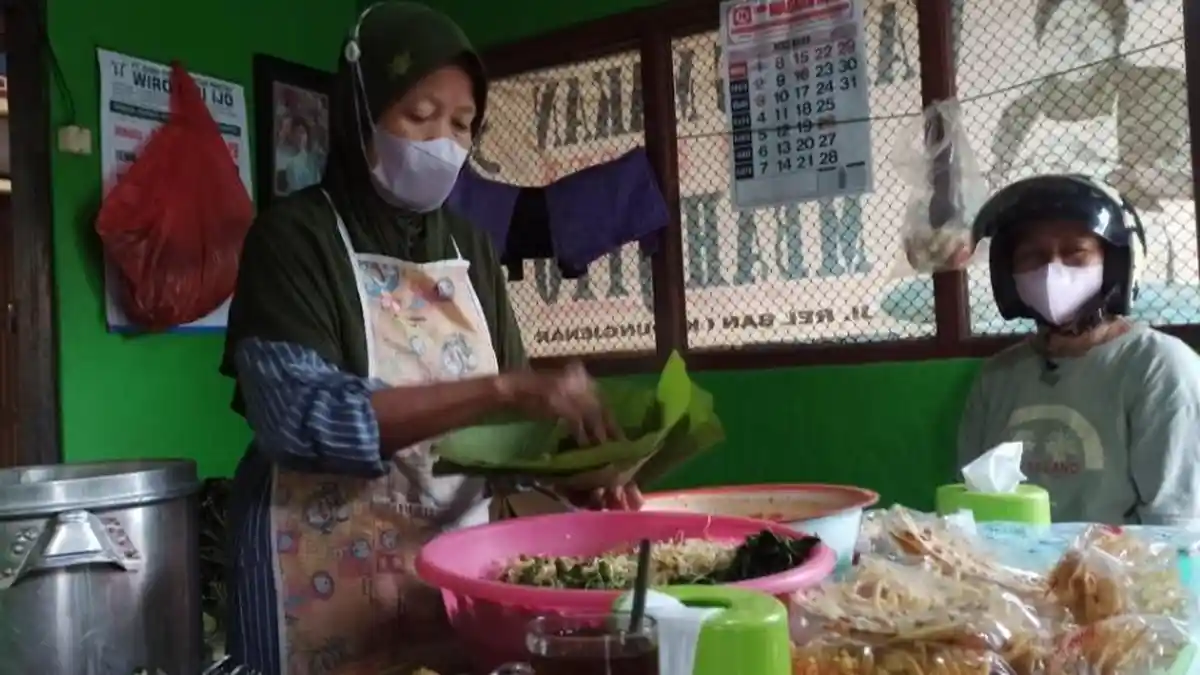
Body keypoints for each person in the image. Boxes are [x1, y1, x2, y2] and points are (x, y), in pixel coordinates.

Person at [218, 3, 642, 674]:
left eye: (462, 124)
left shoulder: (470, 245)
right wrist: (502, 387)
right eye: (420, 116)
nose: (443, 141)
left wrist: (578, 478)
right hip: (317, 582)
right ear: (361, 110)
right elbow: (301, 419)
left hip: (451, 577)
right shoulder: (294, 238)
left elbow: (506, 433)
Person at [957, 174, 1200, 525]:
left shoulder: (1159, 368)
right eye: (1032, 256)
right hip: (1010, 573)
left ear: (1114, 263)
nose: (1051, 270)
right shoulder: (998, 375)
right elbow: (973, 504)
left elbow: (1177, 525)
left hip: (1116, 575)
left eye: (1075, 253)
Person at [991, 0, 1190, 210]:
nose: (1074, 35)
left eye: (1089, 19)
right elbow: (998, 184)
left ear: (1115, 27)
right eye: (1058, 26)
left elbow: (1175, 177)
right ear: (1042, 41)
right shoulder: (1019, 112)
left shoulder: (1158, 87)